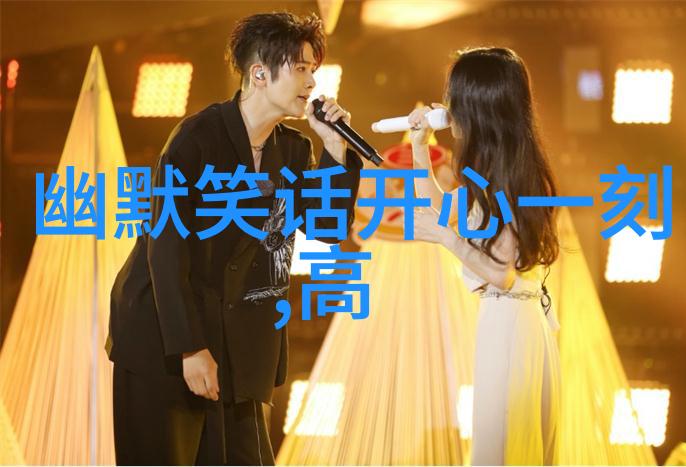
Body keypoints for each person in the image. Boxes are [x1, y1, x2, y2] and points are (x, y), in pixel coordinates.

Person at [105, 12, 362, 465]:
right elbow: (165, 250)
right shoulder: (195, 139)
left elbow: (327, 228)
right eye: (301, 68)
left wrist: (335, 149)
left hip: (238, 343)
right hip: (163, 337)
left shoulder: (294, 149)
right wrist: (189, 347)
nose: (311, 82)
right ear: (259, 74)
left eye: (313, 70)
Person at [409, 47, 561, 465]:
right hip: (510, 319)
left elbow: (501, 273)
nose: (447, 105)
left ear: (478, 105)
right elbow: (440, 209)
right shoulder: (498, 167)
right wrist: (420, 149)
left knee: (502, 448)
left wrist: (447, 240)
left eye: (454, 96)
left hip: (511, 320)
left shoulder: (510, 175)